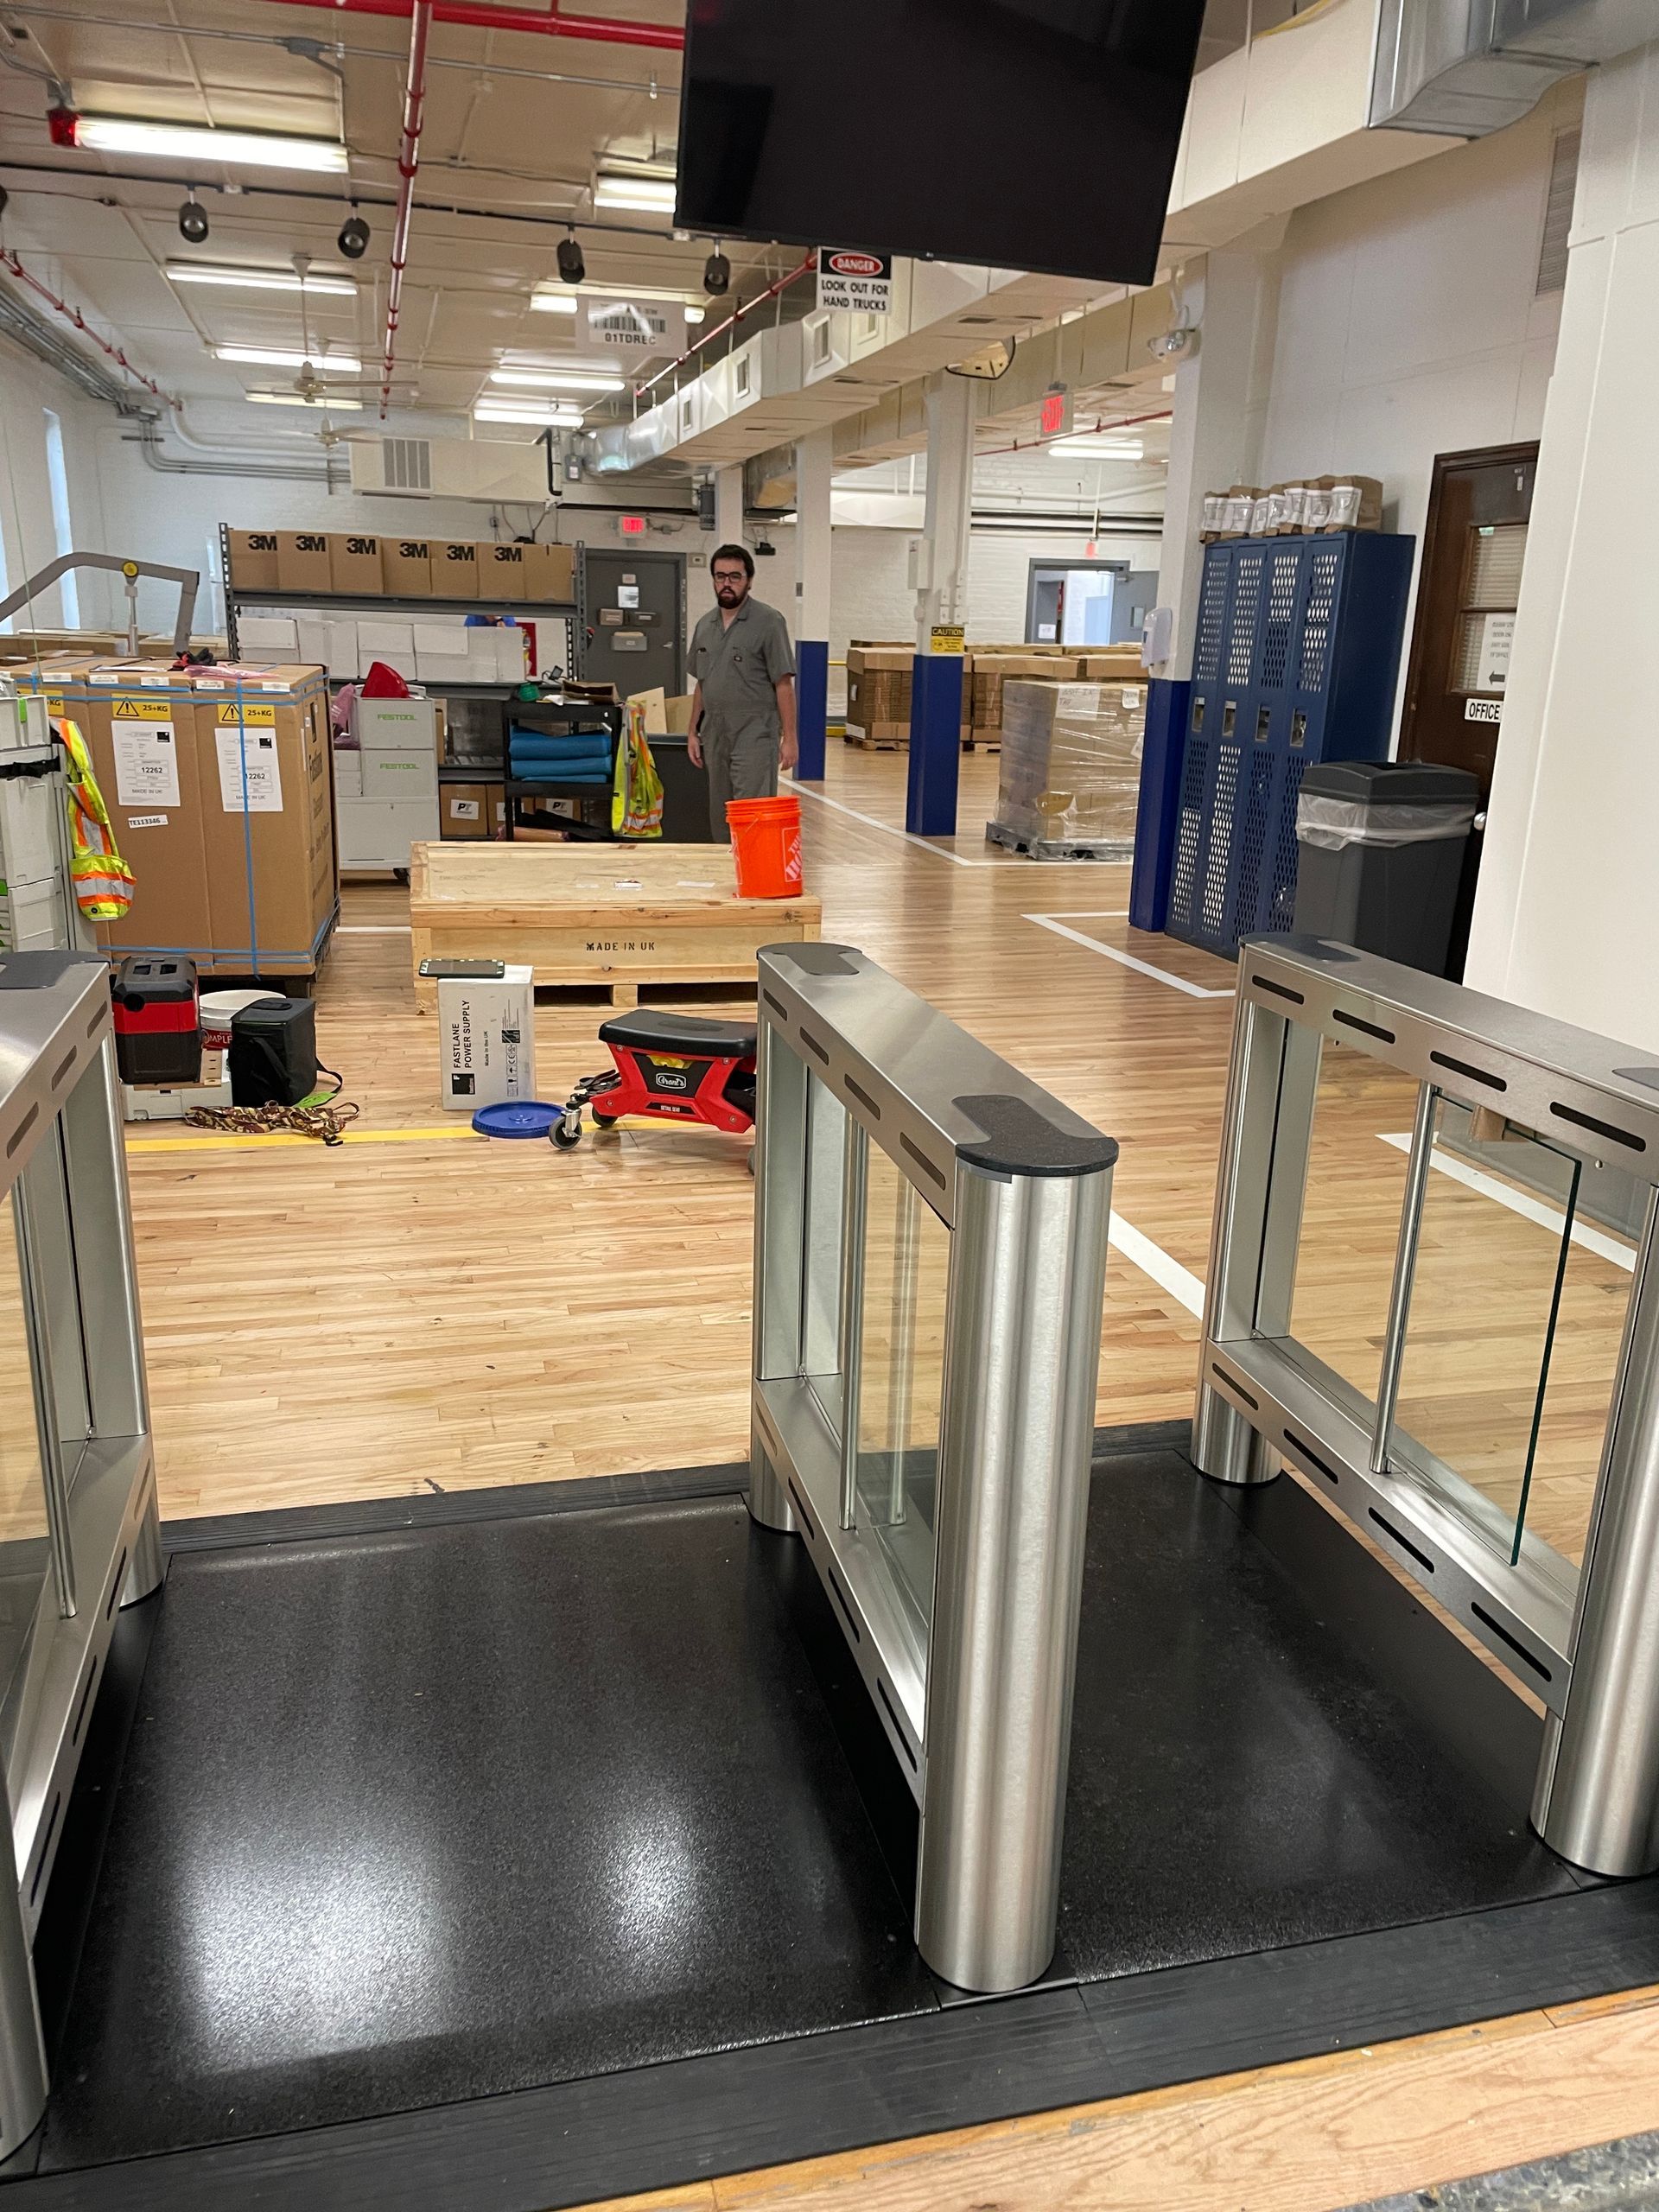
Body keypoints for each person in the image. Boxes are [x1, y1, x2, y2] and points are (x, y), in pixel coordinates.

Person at [686, 543, 798, 840]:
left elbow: (783, 683)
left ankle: (754, 879)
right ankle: (727, 877)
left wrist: (790, 739)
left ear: (749, 580)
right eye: (720, 576)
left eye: (735, 577)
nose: (726, 583)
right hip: (715, 732)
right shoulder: (705, 625)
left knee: (751, 811)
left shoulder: (769, 621)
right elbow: (702, 683)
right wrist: (692, 732)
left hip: (755, 732)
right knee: (720, 812)